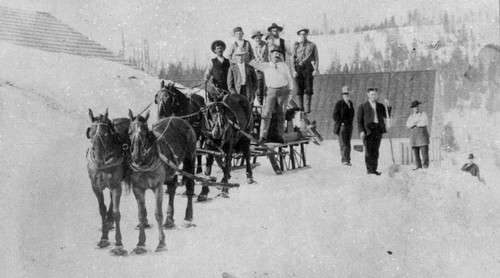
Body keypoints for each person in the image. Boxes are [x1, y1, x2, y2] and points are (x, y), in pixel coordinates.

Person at [250, 48, 294, 144]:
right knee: (266, 114)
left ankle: (280, 136)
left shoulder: (284, 66)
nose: (277, 55)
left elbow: (289, 78)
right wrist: (256, 56)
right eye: (275, 54)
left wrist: (290, 91)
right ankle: (262, 136)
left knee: (281, 114)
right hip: (271, 91)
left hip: (283, 92)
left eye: (279, 54)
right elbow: (252, 63)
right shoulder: (266, 65)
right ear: (271, 55)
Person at [357, 88, 391, 175]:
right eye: (372, 94)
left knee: (375, 150)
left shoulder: (380, 106)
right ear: (368, 95)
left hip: (378, 129)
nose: (373, 96)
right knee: (369, 151)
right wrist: (361, 131)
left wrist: (388, 106)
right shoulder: (363, 106)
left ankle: (374, 169)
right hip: (368, 130)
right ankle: (369, 170)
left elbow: (387, 115)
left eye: (375, 94)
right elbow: (359, 121)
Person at [292, 28, 319, 113]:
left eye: (304, 34)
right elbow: (292, 58)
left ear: (307, 35)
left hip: (308, 68)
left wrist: (315, 69)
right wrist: (294, 70)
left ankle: (307, 108)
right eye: (301, 34)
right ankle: (300, 108)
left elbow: (316, 58)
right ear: (299, 35)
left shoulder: (312, 45)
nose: (303, 36)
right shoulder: (296, 45)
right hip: (298, 67)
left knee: (308, 88)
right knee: (299, 89)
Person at [333, 86, 355, 166]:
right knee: (343, 143)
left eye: (347, 94)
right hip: (342, 127)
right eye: (345, 94)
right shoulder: (339, 104)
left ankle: (348, 160)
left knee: (348, 143)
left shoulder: (350, 103)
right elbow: (335, 115)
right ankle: (344, 160)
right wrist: (341, 123)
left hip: (349, 126)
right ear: (342, 95)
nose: (346, 95)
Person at [406, 100, 430, 170]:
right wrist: (417, 121)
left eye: (417, 106)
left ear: (419, 107)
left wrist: (415, 123)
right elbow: (408, 125)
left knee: (424, 152)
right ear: (412, 108)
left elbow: (424, 122)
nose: (416, 108)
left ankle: (425, 165)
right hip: (414, 137)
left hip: (422, 136)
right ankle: (418, 166)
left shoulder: (423, 114)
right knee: (416, 153)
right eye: (414, 107)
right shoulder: (411, 116)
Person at [252, 30, 269, 106]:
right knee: (259, 87)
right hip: (258, 69)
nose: (258, 39)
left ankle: (268, 105)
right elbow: (253, 59)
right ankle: (260, 104)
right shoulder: (254, 48)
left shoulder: (265, 46)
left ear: (261, 38)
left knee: (267, 87)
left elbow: (268, 57)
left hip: (266, 68)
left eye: (259, 38)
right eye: (256, 38)